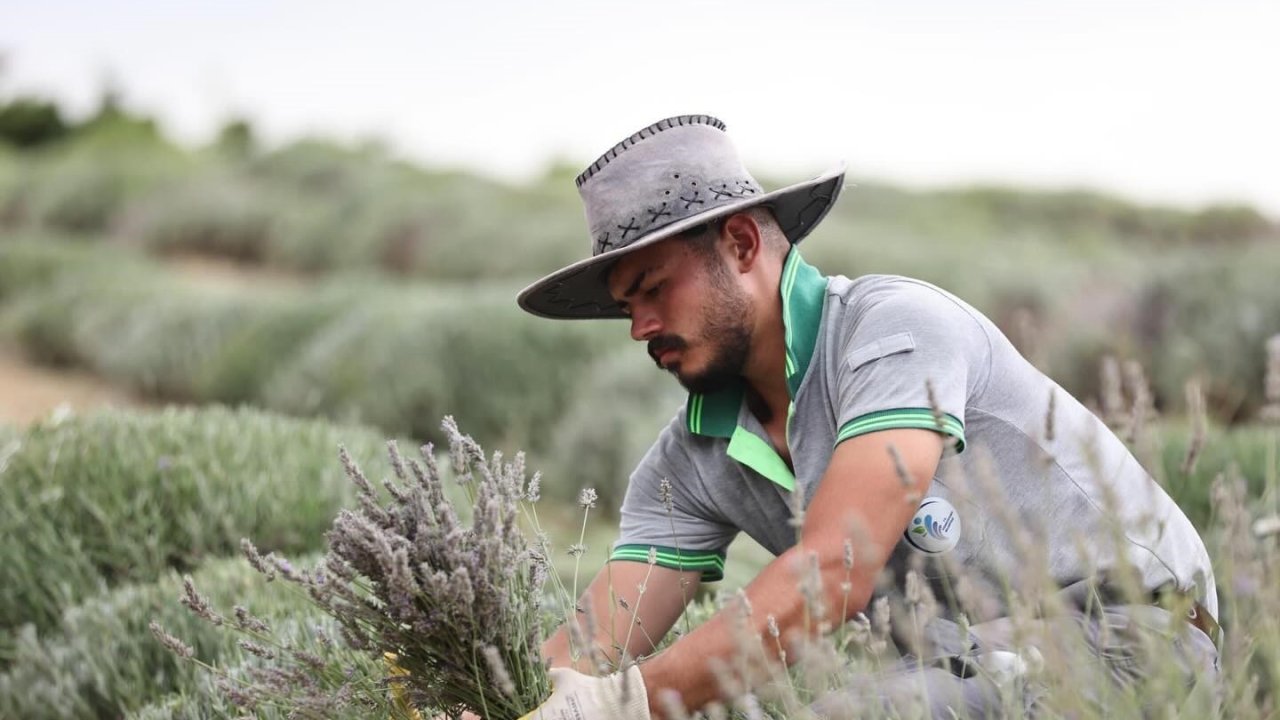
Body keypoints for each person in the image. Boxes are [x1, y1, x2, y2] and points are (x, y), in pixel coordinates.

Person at [510, 115, 1219, 719]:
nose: (640, 326)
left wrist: (623, 704)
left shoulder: (895, 331)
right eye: (627, 306)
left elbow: (833, 570)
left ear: (743, 245)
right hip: (965, 673)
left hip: (1132, 639)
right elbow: (593, 647)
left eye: (654, 289)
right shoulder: (688, 461)